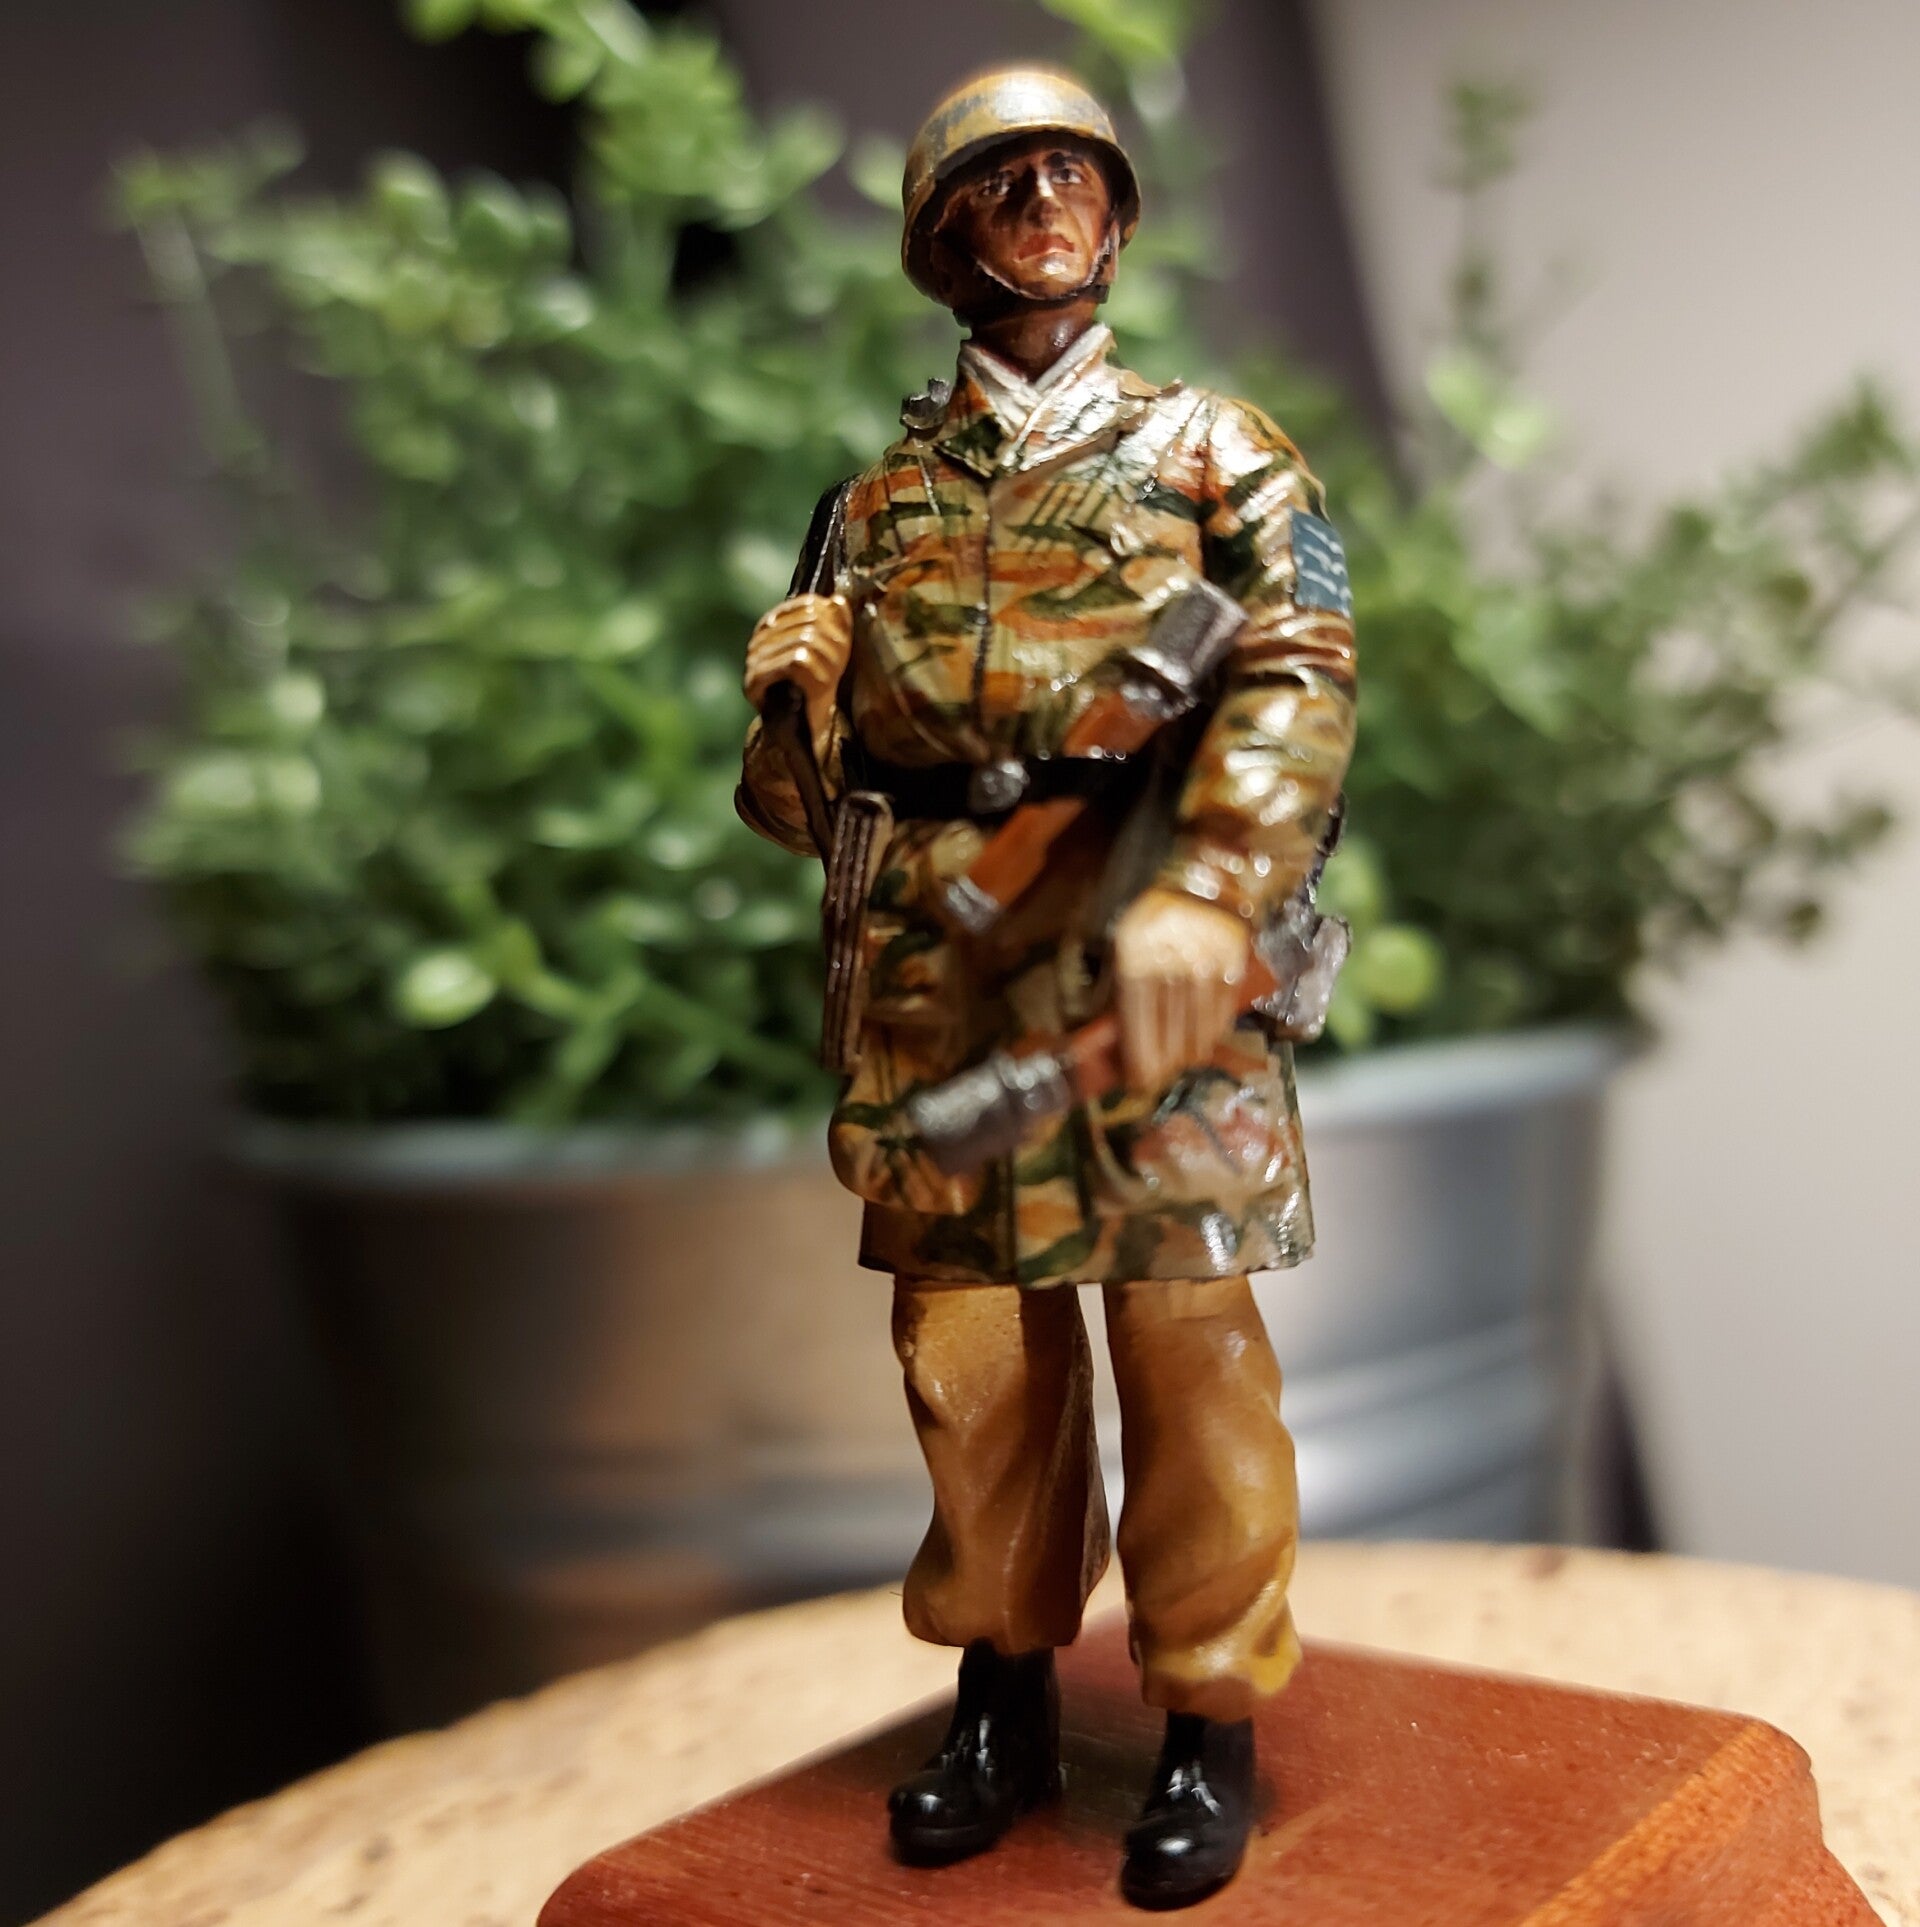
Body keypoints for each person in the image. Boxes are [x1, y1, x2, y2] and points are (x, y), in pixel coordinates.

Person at [735, 66, 1356, 1910]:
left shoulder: (1213, 456)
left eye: (1069, 175)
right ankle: (1000, 1691)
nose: (1041, 206)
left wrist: (1217, 889)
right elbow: (804, 812)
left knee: (1185, 1339)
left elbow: (1296, 671)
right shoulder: (870, 511)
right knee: (971, 1361)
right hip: (942, 975)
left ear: (1120, 217)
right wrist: (795, 702)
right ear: (942, 241)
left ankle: (1207, 1716)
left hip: (1151, 958)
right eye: (999, 185)